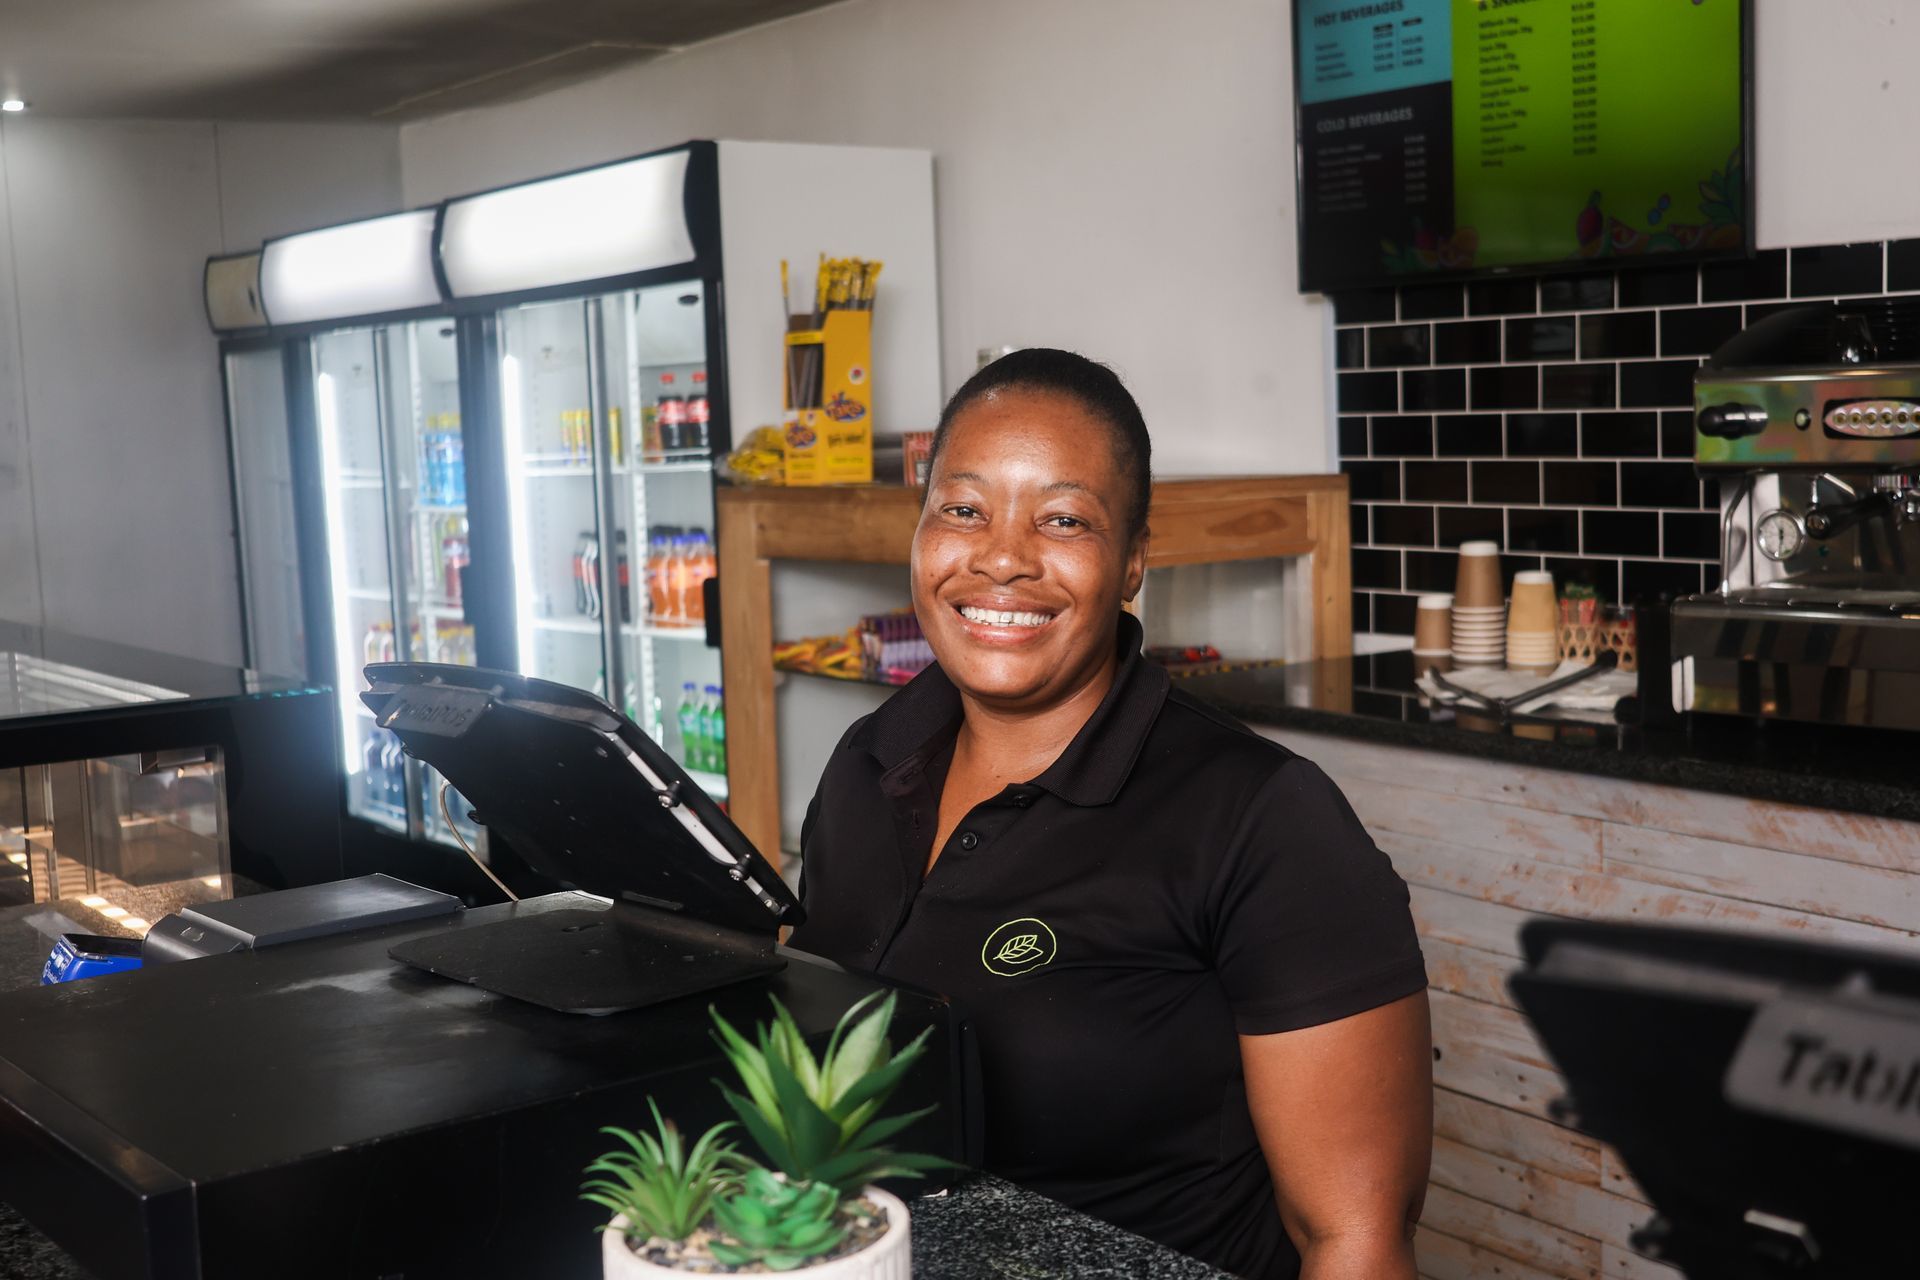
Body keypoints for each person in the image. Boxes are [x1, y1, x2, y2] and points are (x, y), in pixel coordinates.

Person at [787, 349, 1431, 1280]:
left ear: (1132, 563)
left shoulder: (1262, 819)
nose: (1002, 557)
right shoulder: (867, 762)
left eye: (1063, 520)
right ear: (921, 533)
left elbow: (1355, 1243)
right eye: (963, 509)